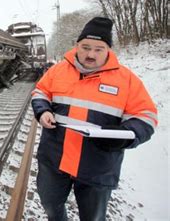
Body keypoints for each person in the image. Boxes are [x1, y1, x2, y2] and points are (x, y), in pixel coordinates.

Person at [31, 17, 157, 221]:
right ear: (77, 45)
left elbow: (146, 117)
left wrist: (124, 137)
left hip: (97, 168)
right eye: (86, 47)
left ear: (108, 49)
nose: (90, 54)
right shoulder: (57, 71)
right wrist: (42, 110)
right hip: (54, 160)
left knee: (93, 218)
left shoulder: (127, 80)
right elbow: (40, 92)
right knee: (50, 205)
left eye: (98, 49)